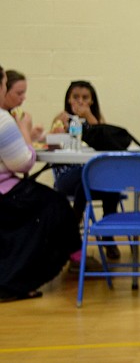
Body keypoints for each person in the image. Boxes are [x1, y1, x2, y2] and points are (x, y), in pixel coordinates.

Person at [0, 63, 81, 302]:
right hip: (6, 194)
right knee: (56, 208)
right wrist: (24, 131)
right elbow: (23, 163)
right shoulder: (4, 120)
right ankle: (18, 280)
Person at [50, 80, 121, 261]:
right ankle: (75, 224)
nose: (80, 102)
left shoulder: (95, 120)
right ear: (68, 99)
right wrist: (60, 130)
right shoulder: (61, 119)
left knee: (109, 180)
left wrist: (90, 117)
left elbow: (106, 144)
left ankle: (106, 233)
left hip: (91, 177)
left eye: (85, 98)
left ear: (92, 101)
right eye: (76, 97)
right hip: (67, 174)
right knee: (86, 178)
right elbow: (51, 147)